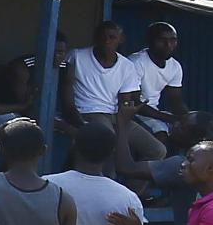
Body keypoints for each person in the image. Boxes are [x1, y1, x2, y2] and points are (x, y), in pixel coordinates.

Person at [62, 21, 162, 164]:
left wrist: (126, 116)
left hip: (114, 116)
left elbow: (124, 102)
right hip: (89, 112)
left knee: (157, 150)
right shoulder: (76, 56)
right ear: (95, 38)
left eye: (112, 37)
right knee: (109, 142)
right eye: (102, 37)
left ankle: (132, 186)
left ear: (121, 40)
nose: (106, 41)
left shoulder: (127, 66)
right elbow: (67, 97)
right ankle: (109, 181)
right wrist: (79, 123)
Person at [119, 21, 192, 154]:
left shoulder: (175, 66)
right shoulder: (136, 62)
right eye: (162, 40)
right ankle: (144, 172)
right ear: (150, 41)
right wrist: (168, 119)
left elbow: (175, 100)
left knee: (190, 134)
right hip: (134, 112)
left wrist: (186, 118)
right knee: (160, 137)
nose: (168, 45)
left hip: (154, 112)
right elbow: (134, 102)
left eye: (172, 40)